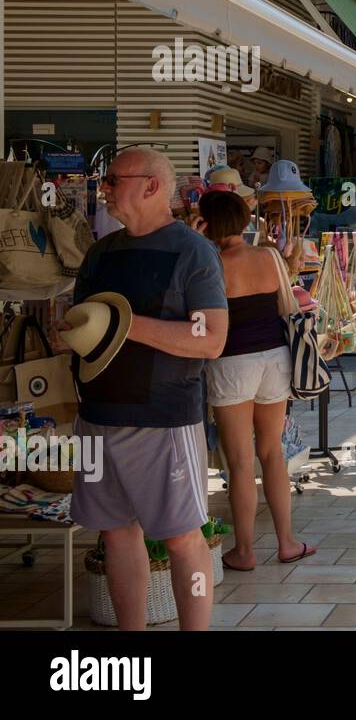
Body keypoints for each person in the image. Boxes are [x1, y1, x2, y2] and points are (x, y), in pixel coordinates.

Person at [65, 148, 230, 631]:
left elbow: (211, 338)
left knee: (183, 539)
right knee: (115, 535)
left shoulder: (194, 251)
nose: (104, 188)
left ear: (151, 185)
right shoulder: (99, 253)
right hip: (97, 415)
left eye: (113, 179)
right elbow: (80, 324)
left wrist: (125, 325)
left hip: (163, 420)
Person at [198, 191, 313, 573]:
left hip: (233, 362)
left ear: (208, 223)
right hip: (276, 358)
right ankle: (288, 543)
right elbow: (286, 302)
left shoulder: (212, 263)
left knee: (239, 462)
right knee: (272, 453)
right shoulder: (269, 256)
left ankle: (244, 551)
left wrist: (195, 241)